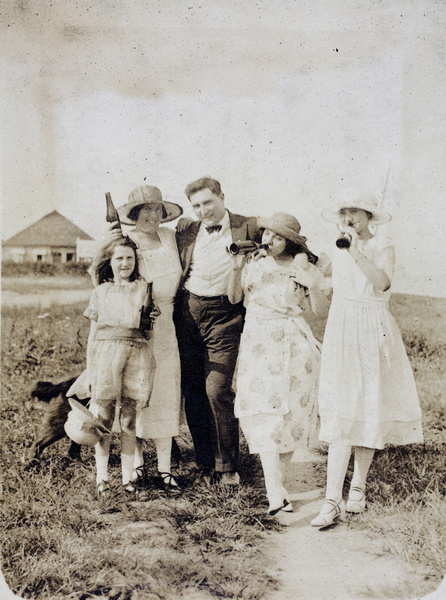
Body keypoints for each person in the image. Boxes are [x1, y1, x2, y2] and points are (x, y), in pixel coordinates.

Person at [311, 187, 423, 528]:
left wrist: (356, 251)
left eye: (355, 213)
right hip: (342, 328)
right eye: (344, 213)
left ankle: (357, 487)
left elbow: (382, 283)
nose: (348, 219)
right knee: (342, 408)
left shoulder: (381, 245)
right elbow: (324, 281)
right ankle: (332, 499)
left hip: (372, 327)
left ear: (369, 216)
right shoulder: (336, 246)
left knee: (367, 405)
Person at [227, 212, 329, 514]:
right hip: (259, 342)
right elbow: (234, 298)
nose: (269, 240)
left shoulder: (305, 267)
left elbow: (319, 311)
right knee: (262, 415)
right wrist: (235, 268)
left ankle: (278, 485)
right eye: (267, 234)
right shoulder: (253, 263)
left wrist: (311, 282)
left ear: (290, 242)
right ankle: (274, 489)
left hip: (293, 343)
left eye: (277, 237)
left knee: (290, 417)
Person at [174, 176, 260, 486]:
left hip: (226, 316)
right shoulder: (186, 230)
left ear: (222, 196)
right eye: (196, 205)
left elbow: (287, 238)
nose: (202, 211)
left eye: (207, 202)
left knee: (217, 390)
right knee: (193, 390)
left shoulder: (248, 226)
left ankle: (228, 467)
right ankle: (204, 461)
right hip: (188, 313)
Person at [115, 185, 184, 491]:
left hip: (170, 325)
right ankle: (138, 465)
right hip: (139, 327)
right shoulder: (126, 242)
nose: (152, 216)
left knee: (167, 391)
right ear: (134, 214)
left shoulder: (170, 237)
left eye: (157, 210)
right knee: (138, 393)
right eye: (145, 210)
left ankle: (166, 468)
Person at [82, 235, 156, 498]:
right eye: (119, 258)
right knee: (103, 419)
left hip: (136, 356)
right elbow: (92, 335)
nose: (124, 263)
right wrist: (91, 370)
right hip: (105, 357)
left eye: (129, 258)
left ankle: (128, 480)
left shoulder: (144, 288)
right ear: (109, 262)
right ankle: (102, 479)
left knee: (128, 420)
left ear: (136, 262)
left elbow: (148, 332)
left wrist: (148, 319)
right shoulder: (100, 292)